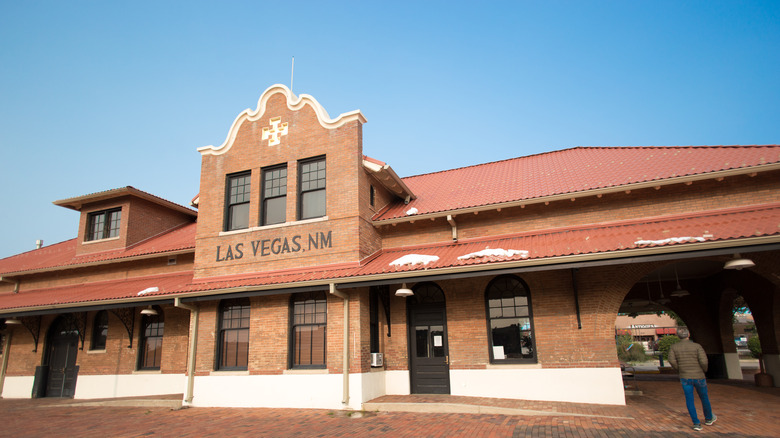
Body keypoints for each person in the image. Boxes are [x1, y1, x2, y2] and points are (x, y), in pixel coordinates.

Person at [668, 328, 717, 431]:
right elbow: (704, 361)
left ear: (677, 335)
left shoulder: (674, 347)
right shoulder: (697, 346)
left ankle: (696, 423)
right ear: (688, 334)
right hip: (699, 376)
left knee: (689, 400)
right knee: (704, 398)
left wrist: (679, 369)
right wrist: (704, 370)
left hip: (685, 376)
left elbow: (671, 360)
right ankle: (708, 418)